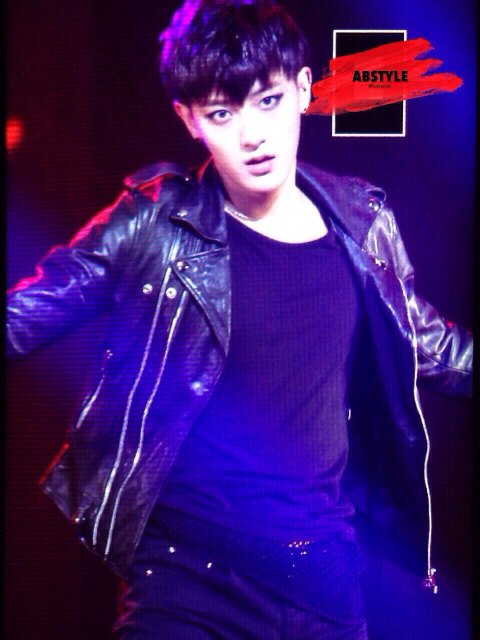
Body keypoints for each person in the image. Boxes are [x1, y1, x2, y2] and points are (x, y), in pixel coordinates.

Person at [6, 1, 473, 638]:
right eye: (222, 113)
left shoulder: (361, 226)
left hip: (324, 589)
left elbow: (437, 350)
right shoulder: (156, 223)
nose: (253, 135)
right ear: (189, 118)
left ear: (304, 90)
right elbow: (27, 313)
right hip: (188, 585)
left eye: (269, 101)